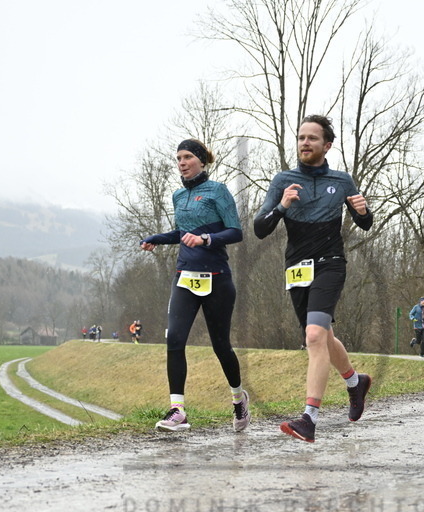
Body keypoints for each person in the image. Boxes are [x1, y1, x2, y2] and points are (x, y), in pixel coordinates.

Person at [254, 114, 373, 443]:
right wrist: (281, 206)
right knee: (323, 337)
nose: (305, 143)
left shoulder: (342, 180)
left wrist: (362, 211)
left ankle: (309, 418)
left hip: (330, 264)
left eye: (312, 138)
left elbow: (365, 223)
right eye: (301, 137)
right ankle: (355, 382)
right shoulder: (284, 180)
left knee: (314, 336)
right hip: (296, 268)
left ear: (327, 145)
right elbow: (259, 228)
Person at [139, 138, 250, 433]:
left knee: (221, 346)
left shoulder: (218, 191)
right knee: (174, 339)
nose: (182, 163)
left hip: (217, 278)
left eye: (187, 157)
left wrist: (206, 240)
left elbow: (236, 231)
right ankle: (178, 411)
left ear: (201, 160)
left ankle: (239, 399)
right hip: (185, 276)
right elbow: (182, 233)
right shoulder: (178, 196)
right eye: (178, 158)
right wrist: (157, 239)